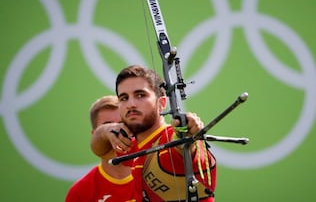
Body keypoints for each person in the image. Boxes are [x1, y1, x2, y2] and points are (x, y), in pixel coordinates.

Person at [91, 65, 216, 201]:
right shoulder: (131, 146)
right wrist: (106, 130)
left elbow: (181, 147)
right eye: (124, 98)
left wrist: (185, 135)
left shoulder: (168, 140)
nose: (131, 104)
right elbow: (99, 149)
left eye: (140, 95)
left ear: (162, 103)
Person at [65, 95, 140, 202]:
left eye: (122, 125)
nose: (117, 132)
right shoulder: (80, 192)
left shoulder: (154, 175)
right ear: (95, 135)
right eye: (107, 127)